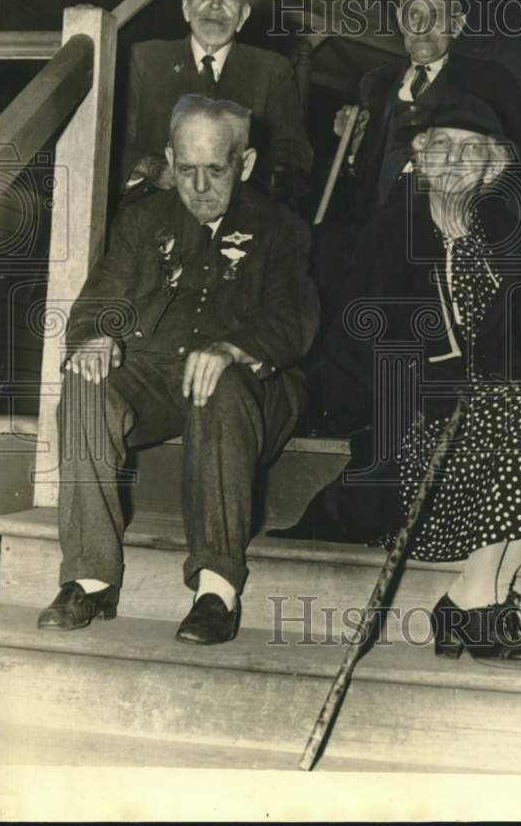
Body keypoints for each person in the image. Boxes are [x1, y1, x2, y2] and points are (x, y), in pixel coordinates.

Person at [271, 98, 521, 668]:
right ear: (421, 156)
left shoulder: (499, 227)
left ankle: (476, 596)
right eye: (442, 145)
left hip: (497, 425)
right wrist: (432, 386)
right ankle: (474, 604)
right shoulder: (391, 230)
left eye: (471, 149)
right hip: (416, 436)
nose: (455, 159)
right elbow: (356, 344)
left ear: (492, 166)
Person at [38, 94, 320, 645]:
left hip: (250, 389)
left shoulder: (280, 229)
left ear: (246, 163)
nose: (199, 187)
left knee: (220, 383)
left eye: (216, 170)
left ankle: (217, 590)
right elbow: (100, 303)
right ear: (169, 159)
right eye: (186, 170)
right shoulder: (141, 221)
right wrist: (97, 337)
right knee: (85, 382)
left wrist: (234, 348)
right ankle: (90, 579)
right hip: (158, 375)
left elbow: (293, 319)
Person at [335, 0, 521, 226]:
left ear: (457, 24)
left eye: (437, 15)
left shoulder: (491, 82)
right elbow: (362, 180)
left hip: (453, 230)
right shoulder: (374, 83)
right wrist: (353, 148)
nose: (422, 28)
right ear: (401, 20)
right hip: (377, 233)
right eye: (414, 14)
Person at [120, 0, 313, 202]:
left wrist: (237, 175)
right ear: (186, 6)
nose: (215, 5)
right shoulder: (146, 59)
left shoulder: (272, 71)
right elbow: (113, 143)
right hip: (151, 208)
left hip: (238, 211)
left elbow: (296, 156)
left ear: (242, 16)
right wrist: (150, 167)